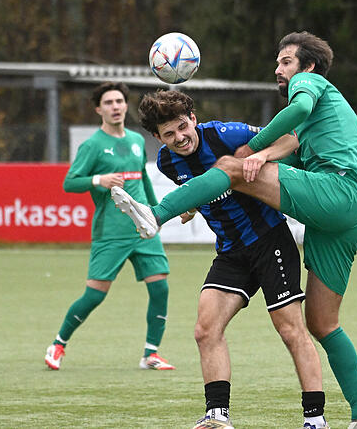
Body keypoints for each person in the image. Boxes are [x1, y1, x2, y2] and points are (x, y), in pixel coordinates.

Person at [111, 31, 357, 429]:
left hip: (338, 192)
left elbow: (294, 114)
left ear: (306, 65)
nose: (278, 68)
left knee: (228, 167)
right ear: (158, 139)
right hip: (342, 218)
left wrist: (255, 150)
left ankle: (156, 215)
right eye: (279, 62)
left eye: (285, 61)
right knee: (322, 323)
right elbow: (292, 142)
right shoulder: (172, 161)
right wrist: (200, 200)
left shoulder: (308, 82)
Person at [137, 90, 328, 429]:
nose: (180, 137)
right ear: (158, 138)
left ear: (193, 118)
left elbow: (290, 139)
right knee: (205, 329)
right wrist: (193, 206)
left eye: (183, 126)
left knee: (290, 329)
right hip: (230, 251)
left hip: (270, 241)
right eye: (169, 134)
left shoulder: (225, 134)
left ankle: (315, 418)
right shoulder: (167, 162)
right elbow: (201, 187)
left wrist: (262, 155)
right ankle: (217, 416)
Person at [44, 82, 174, 372]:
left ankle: (151, 354)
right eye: (108, 102)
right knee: (95, 294)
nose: (115, 106)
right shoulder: (92, 145)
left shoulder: (137, 140)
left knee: (161, 288)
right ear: (98, 109)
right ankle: (58, 344)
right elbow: (69, 182)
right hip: (111, 231)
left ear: (125, 106)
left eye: (119, 101)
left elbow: (142, 178)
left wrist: (157, 214)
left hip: (142, 228)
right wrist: (98, 180)